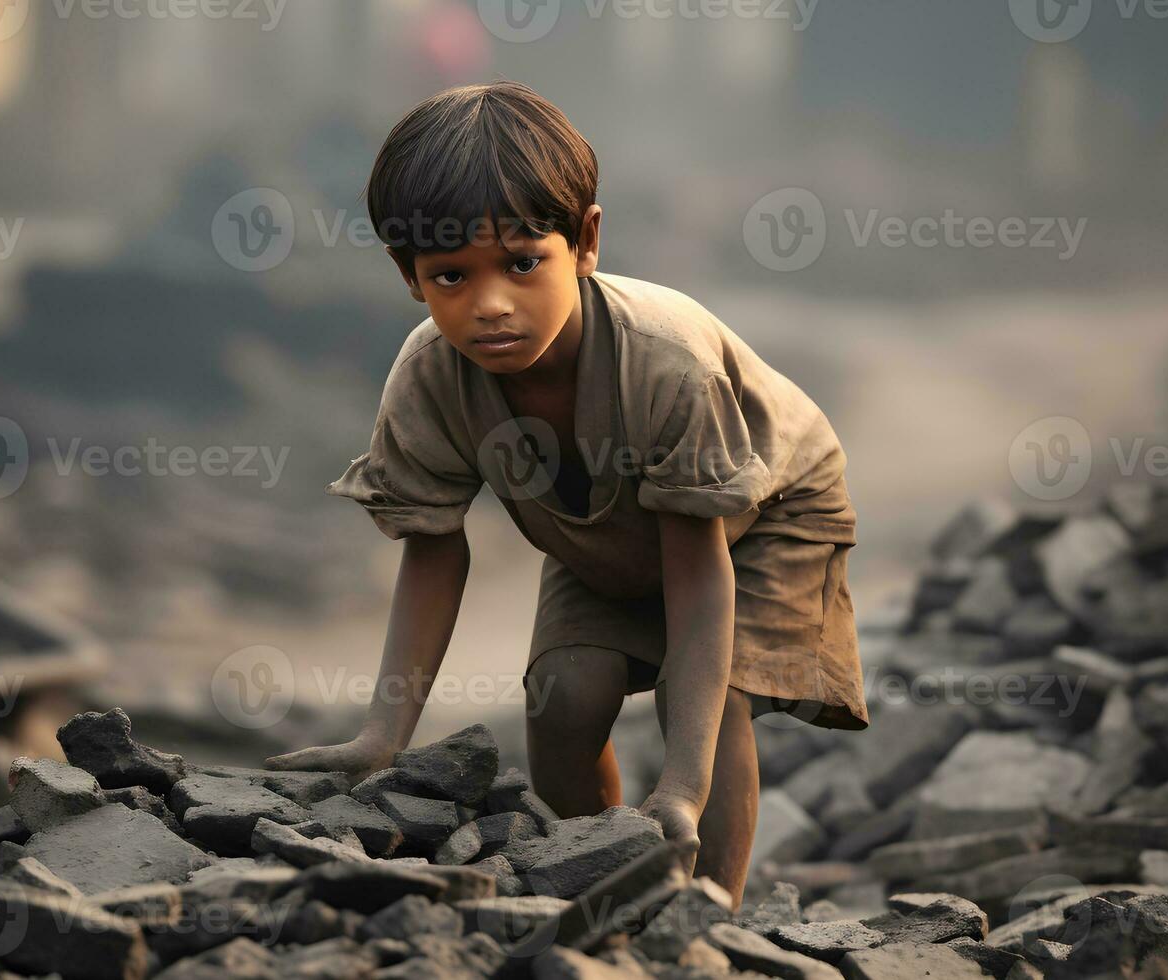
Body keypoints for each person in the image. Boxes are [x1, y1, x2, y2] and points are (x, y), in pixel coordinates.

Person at [266, 81, 867, 908]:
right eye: (451, 276)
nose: (490, 306)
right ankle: (607, 883)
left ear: (584, 241)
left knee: (709, 702)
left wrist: (682, 789)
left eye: (521, 263)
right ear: (410, 276)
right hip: (609, 526)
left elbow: (697, 575)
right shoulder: (430, 380)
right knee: (563, 698)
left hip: (763, 510)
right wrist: (383, 735)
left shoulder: (666, 365)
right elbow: (434, 553)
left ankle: (706, 918)